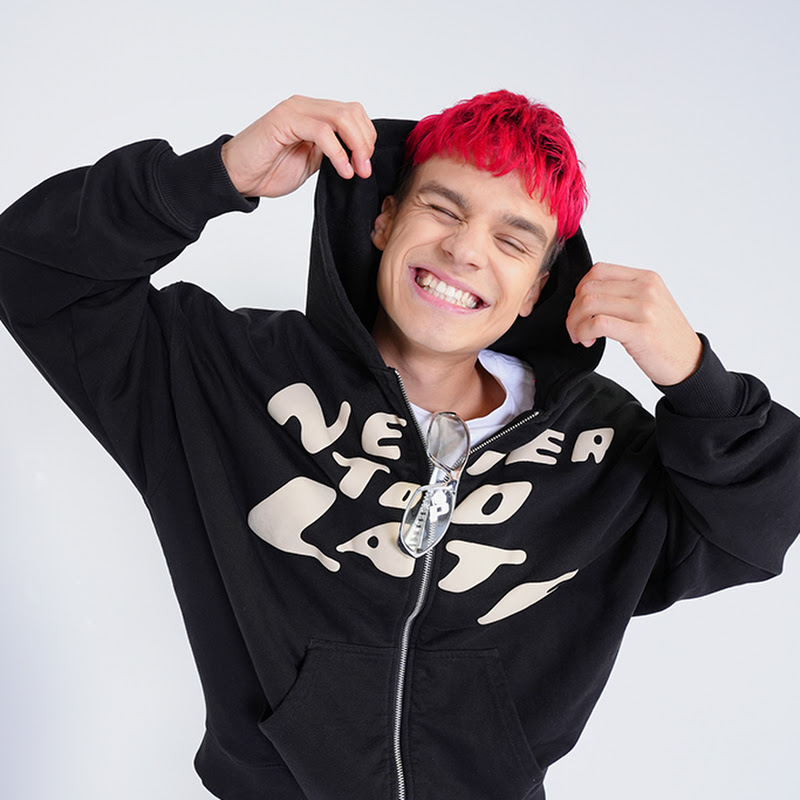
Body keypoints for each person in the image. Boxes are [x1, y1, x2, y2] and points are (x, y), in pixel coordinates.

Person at [1, 91, 798, 800]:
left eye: (513, 240)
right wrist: (216, 175)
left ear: (536, 292)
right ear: (384, 220)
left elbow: (756, 529)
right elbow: (31, 273)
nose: (465, 250)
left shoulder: (602, 451)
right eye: (443, 209)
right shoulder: (225, 377)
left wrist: (698, 381)